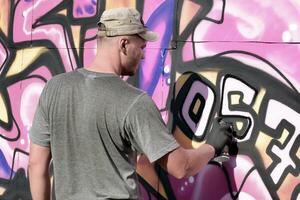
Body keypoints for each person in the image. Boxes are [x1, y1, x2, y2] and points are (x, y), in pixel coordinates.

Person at [28, 7, 233, 200]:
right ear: (124, 44)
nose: (143, 55)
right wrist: (212, 146)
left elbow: (36, 165)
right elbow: (181, 167)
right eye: (141, 47)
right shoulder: (133, 102)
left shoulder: (54, 89)